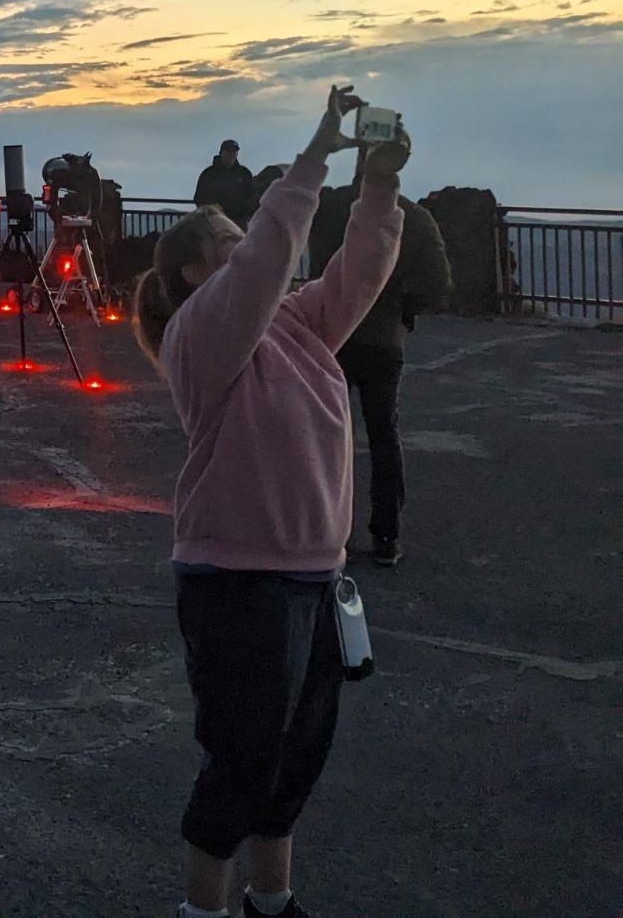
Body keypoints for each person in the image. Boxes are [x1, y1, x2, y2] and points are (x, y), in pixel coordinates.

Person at [136, 86, 407, 918]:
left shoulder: (294, 326)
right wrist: (317, 154)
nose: (248, 245)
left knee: (292, 765)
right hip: (236, 581)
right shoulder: (201, 336)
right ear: (194, 272)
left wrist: (380, 187)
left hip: (312, 578)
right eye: (228, 239)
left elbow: (356, 273)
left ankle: (272, 900)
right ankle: (204, 910)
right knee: (241, 764)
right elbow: (263, 265)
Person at [308, 164, 452, 568]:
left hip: (330, 336)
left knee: (326, 435)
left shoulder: (334, 206)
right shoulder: (416, 218)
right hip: (383, 341)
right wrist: (401, 311)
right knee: (383, 434)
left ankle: (324, 532)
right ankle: (386, 535)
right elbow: (437, 284)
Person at [193, 139, 258, 229]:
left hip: (239, 224)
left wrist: (245, 212)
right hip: (215, 224)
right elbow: (199, 198)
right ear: (221, 153)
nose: (231, 154)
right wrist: (214, 210)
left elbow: (252, 196)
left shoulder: (245, 173)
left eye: (234, 151)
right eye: (228, 151)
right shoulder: (208, 174)